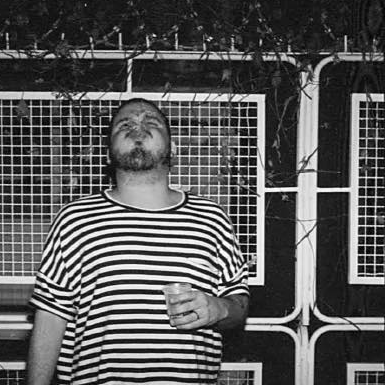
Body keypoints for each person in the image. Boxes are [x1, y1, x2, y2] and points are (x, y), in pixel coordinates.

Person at [27, 98, 249, 385]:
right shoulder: (75, 219)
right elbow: (50, 317)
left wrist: (219, 309)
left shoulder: (212, 218)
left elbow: (239, 305)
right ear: (108, 154)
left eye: (151, 123)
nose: (137, 129)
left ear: (173, 148)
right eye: (125, 125)